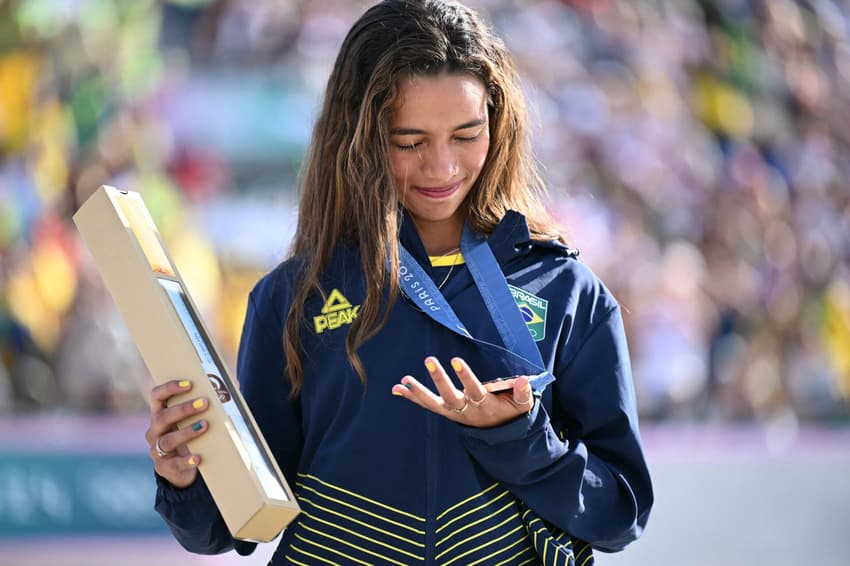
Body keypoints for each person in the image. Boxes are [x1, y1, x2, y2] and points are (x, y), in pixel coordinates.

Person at [145, 0, 653, 564]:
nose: (442, 167)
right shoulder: (294, 295)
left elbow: (619, 514)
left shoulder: (565, 290)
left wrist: (522, 438)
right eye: (409, 141)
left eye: (467, 135)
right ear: (356, 136)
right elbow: (233, 526)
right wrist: (186, 473)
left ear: (499, 123)